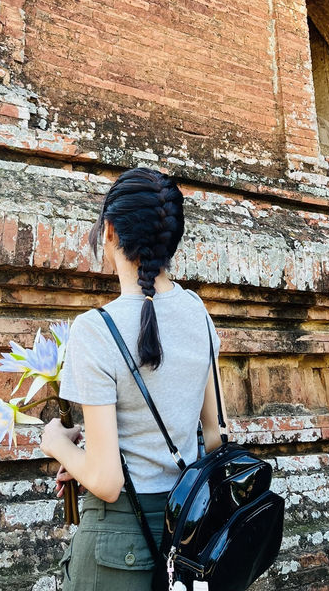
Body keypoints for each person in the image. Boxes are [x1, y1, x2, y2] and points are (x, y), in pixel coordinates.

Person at [39, 166, 226, 591]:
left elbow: (106, 482)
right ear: (170, 241)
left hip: (118, 543)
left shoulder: (95, 328)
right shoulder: (198, 312)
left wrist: (55, 443)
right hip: (186, 534)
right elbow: (214, 438)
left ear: (108, 232)